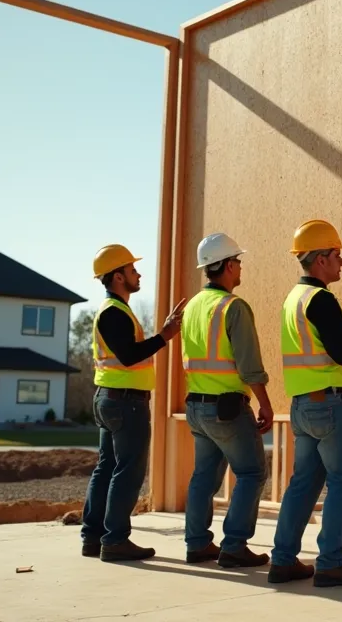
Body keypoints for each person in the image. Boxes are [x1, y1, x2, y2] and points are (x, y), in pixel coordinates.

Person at [269, 219, 342, 588]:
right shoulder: (321, 300)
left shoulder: (292, 300)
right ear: (319, 260)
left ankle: (283, 560)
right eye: (336, 255)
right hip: (330, 407)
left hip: (302, 407)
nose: (341, 263)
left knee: (302, 484)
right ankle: (331, 562)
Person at [81, 243, 185, 562]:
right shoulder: (114, 313)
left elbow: (124, 353)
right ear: (118, 277)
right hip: (125, 403)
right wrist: (165, 336)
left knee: (108, 468)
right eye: (132, 270)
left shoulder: (117, 310)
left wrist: (160, 334)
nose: (137, 274)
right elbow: (128, 356)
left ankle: (94, 538)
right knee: (127, 470)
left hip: (112, 399)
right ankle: (114, 540)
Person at [180, 232, 275, 568]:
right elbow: (249, 365)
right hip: (227, 408)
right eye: (237, 261)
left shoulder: (192, 306)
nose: (240, 266)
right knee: (252, 472)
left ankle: (196, 544)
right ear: (223, 266)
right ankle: (234, 546)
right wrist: (264, 402)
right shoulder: (233, 307)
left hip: (195, 407)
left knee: (203, 477)